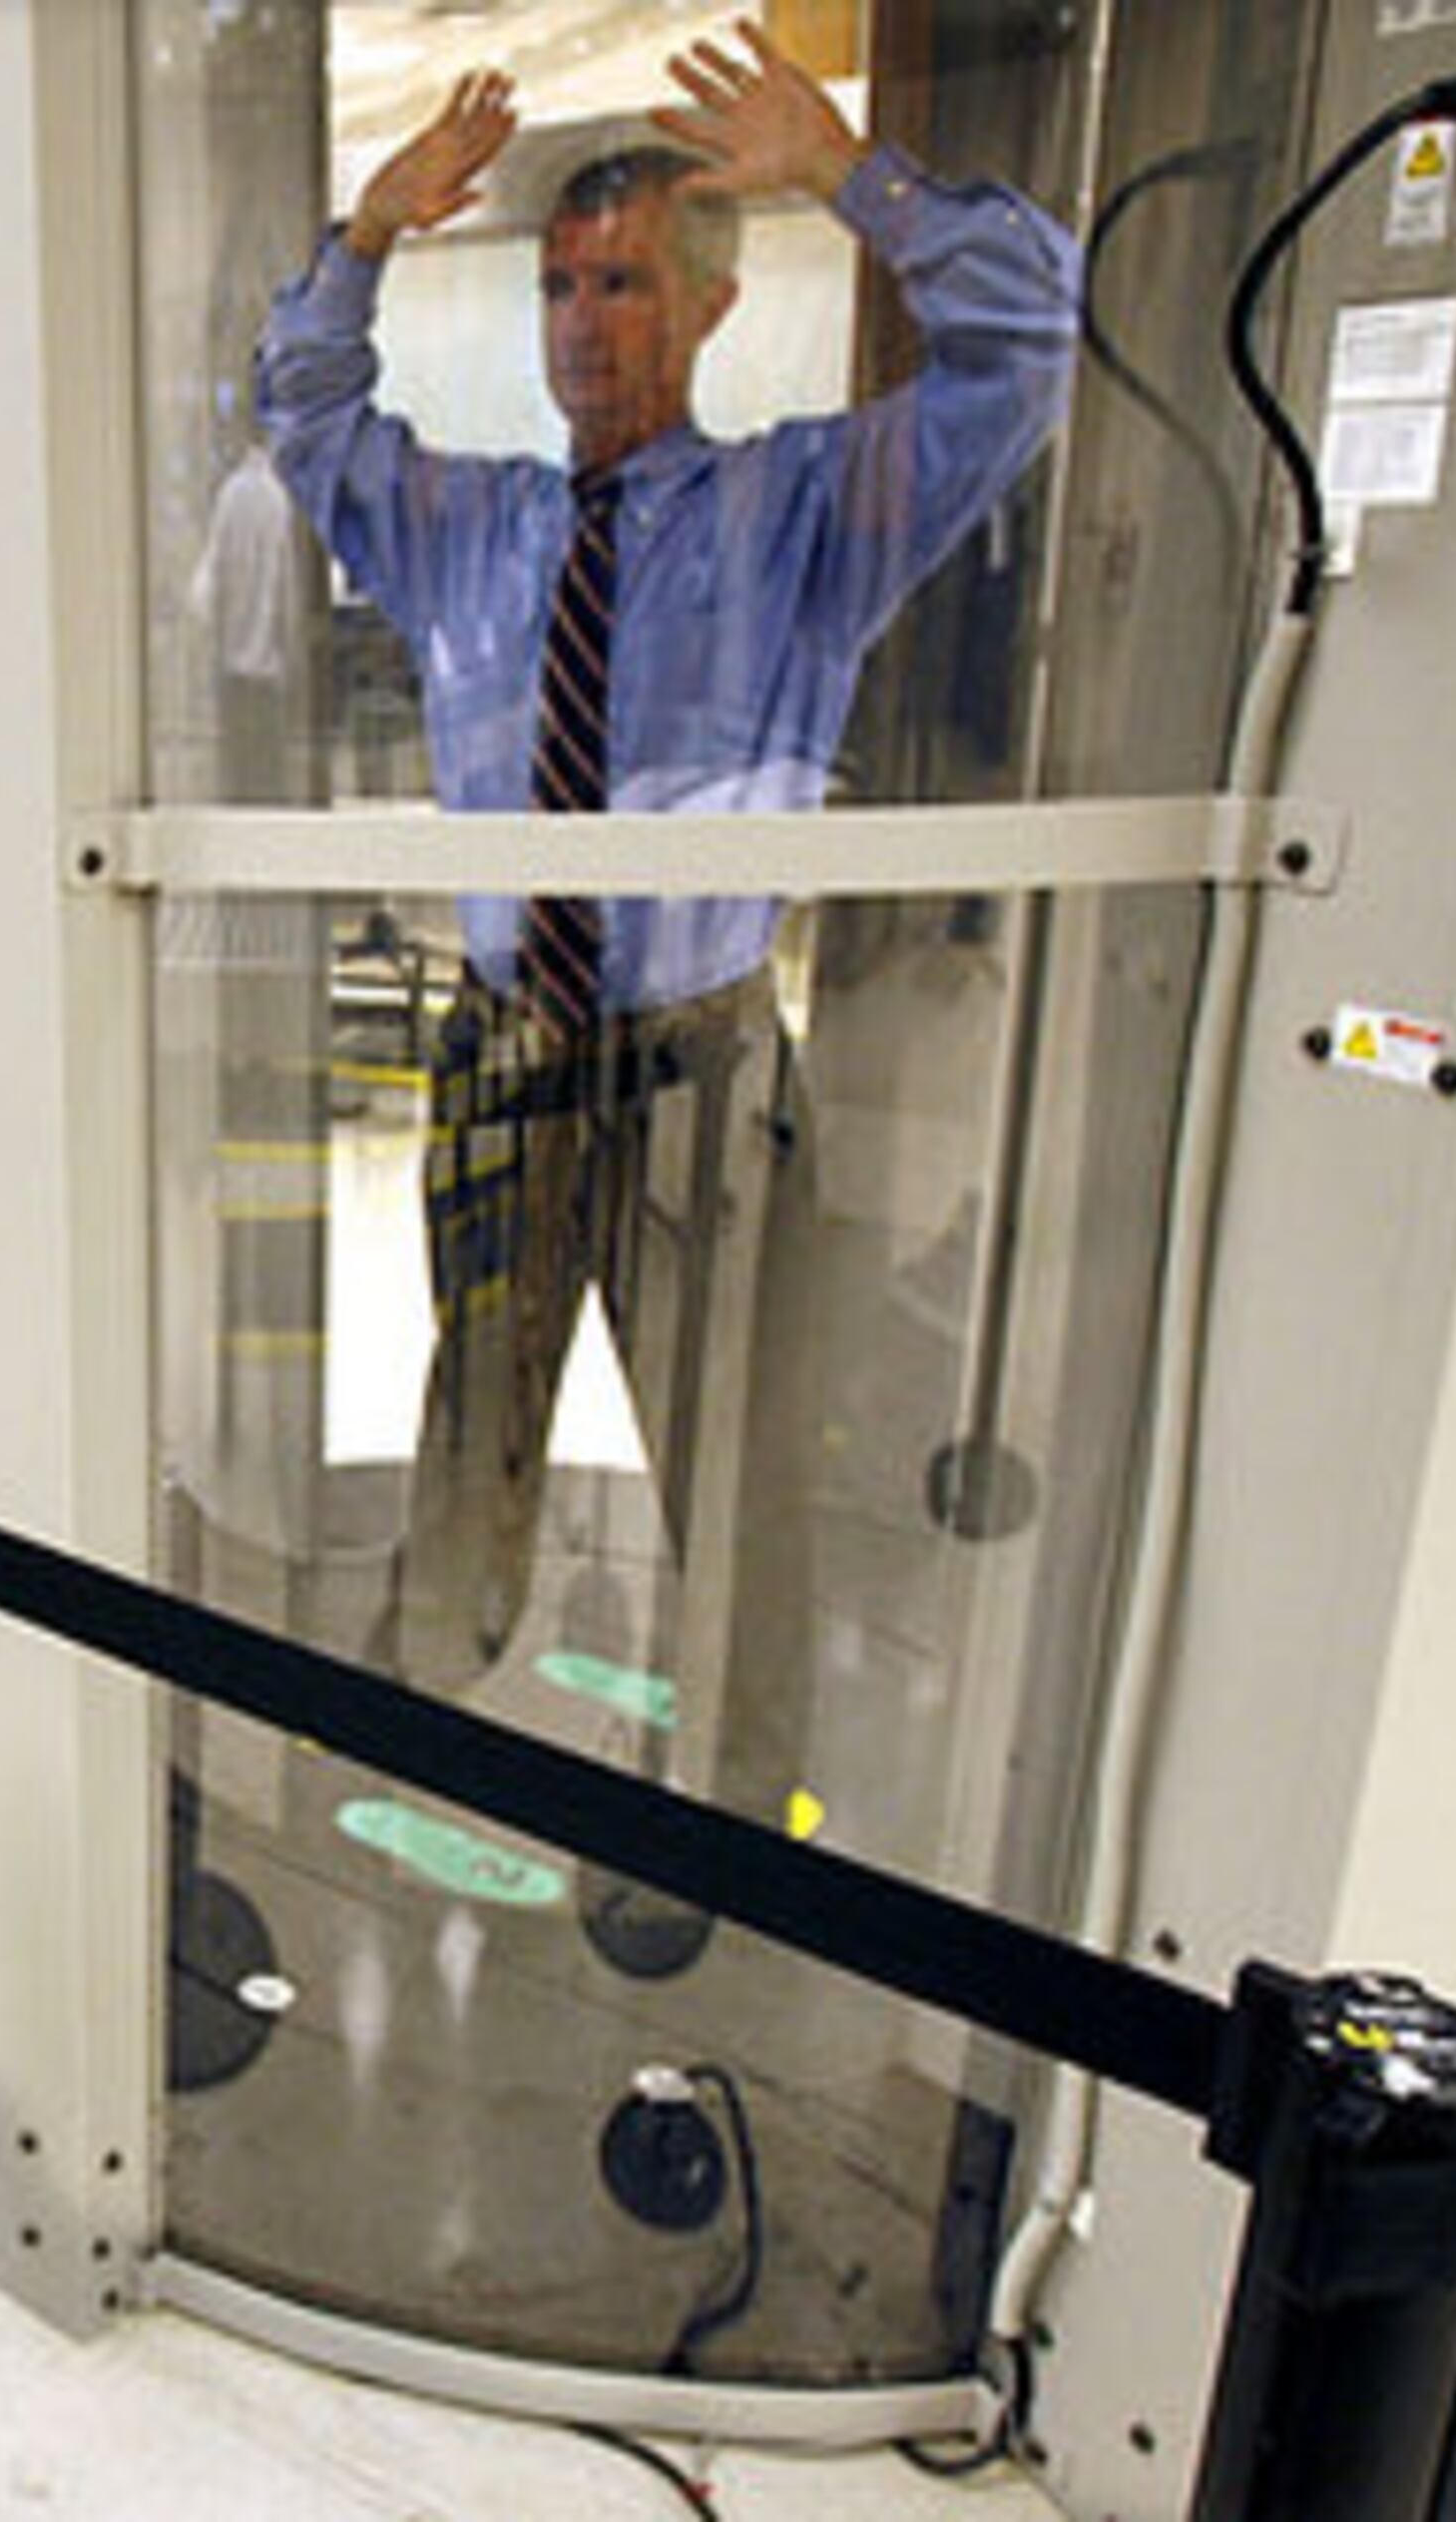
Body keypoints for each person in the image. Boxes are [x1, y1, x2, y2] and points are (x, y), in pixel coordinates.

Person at [254, 25, 1075, 1913]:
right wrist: (365, 236)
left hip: (701, 1066)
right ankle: (423, 1716)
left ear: (709, 307)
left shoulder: (807, 517)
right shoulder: (471, 527)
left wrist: (853, 179)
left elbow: (1027, 347)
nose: (581, 325)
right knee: (477, 1402)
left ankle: (738, 1799)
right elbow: (302, 411)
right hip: (504, 1050)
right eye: (559, 286)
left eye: (623, 284)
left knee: (739, 1450)